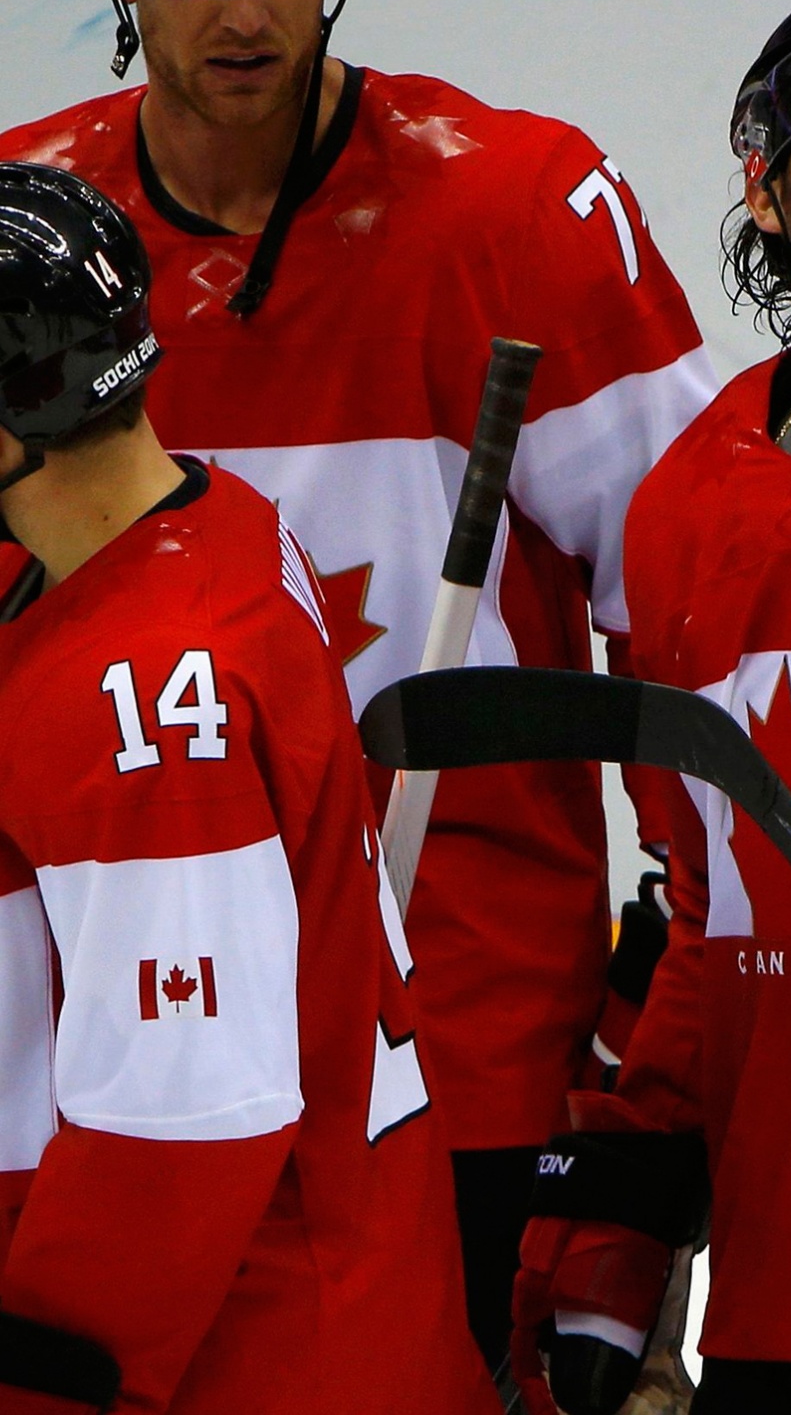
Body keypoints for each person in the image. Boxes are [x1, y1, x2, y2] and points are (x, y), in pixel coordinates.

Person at [0, 0, 718, 1370]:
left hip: (464, 1058)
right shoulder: (29, 238)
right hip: (103, 1073)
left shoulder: (519, 212)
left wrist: (646, 1057)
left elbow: (708, 622)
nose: (245, 7)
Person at [0, 161, 498, 1415]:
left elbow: (183, 1124)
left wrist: (41, 1384)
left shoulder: (152, 700)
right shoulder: (211, 523)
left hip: (264, 1361)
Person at [509, 0, 791, 1415]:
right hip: (786, 1310)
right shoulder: (698, 498)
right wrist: (620, 1247)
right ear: (763, 181)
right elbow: (713, 916)